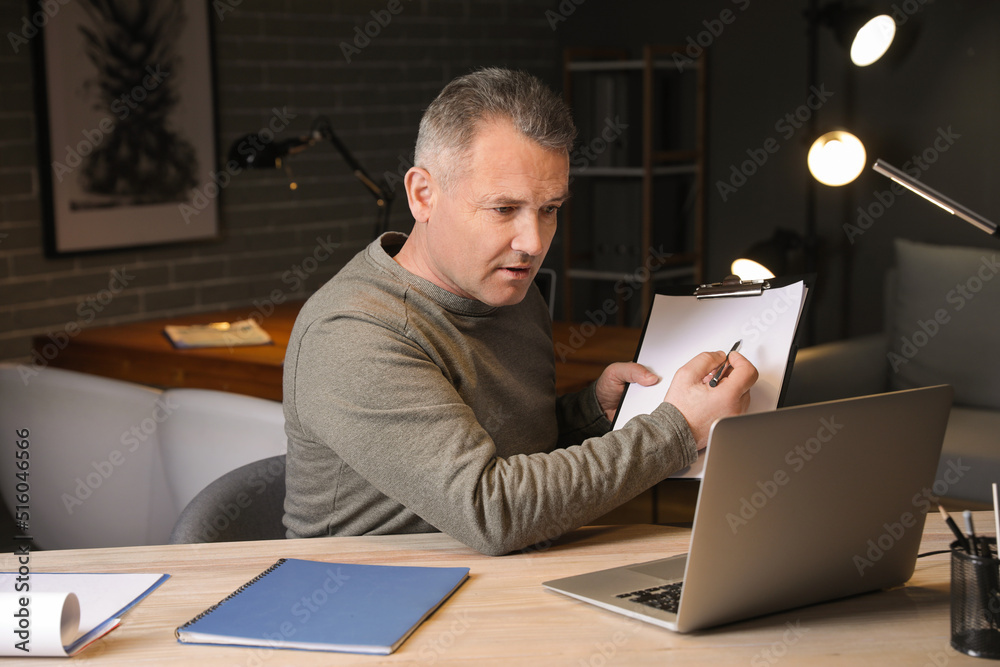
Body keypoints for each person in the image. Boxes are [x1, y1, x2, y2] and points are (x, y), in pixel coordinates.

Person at [282, 68, 757, 556]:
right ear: (423, 195)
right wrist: (678, 429)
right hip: (361, 603)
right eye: (503, 209)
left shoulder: (508, 287)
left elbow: (498, 444)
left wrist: (592, 413)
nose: (532, 243)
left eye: (549, 209)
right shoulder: (352, 333)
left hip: (495, 579)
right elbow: (495, 511)